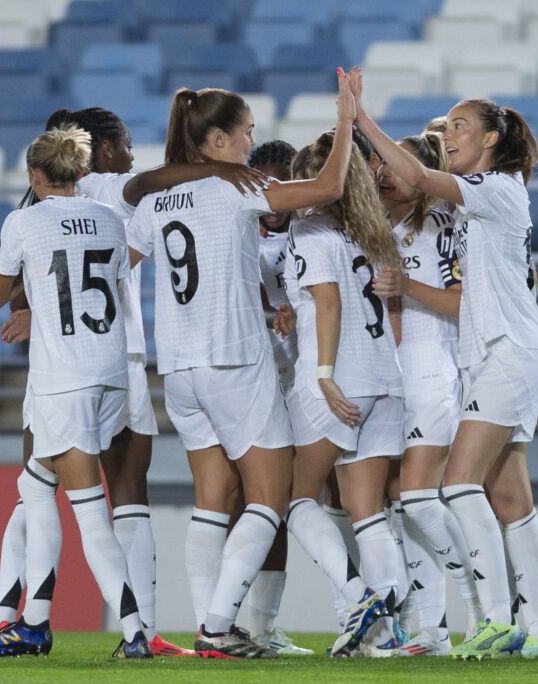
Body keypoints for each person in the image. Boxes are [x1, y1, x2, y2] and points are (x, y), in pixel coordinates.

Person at [0, 106, 266, 658]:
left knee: (43, 490)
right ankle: (125, 627)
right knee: (115, 495)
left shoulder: (30, 212)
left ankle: (29, 619)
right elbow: (148, 188)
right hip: (119, 363)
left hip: (61, 370)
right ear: (102, 149)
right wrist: (217, 169)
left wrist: (36, 308)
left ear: (36, 172)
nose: (134, 154)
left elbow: (11, 289)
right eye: (128, 144)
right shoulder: (114, 203)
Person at [127, 69, 361, 658]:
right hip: (233, 359)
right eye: (246, 134)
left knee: (213, 496)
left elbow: (119, 263)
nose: (252, 145)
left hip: (177, 367)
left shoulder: (157, 198)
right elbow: (330, 187)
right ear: (216, 140)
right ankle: (218, 626)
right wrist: (347, 120)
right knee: (269, 498)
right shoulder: (236, 187)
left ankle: (211, 627)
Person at [353, 67, 538, 660]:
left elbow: (417, 175)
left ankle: (497, 619)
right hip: (503, 350)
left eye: (460, 126)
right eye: (447, 126)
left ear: (490, 139)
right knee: (511, 502)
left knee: (458, 483)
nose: (449, 134)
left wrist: (361, 119)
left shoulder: (494, 187)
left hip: (506, 352)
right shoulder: (486, 200)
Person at [0, 126, 150, 659]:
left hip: (63, 378)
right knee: (35, 483)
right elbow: (114, 281)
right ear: (80, 172)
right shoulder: (109, 219)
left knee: (86, 508)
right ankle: (32, 621)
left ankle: (133, 632)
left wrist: (26, 284)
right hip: (111, 374)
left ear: (34, 175)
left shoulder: (23, 221)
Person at [282, 130, 405, 657]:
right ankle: (387, 637)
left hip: (334, 381)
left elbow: (327, 303)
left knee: (295, 499)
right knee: (367, 510)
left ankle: (360, 599)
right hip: (385, 378)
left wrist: (325, 374)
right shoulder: (374, 234)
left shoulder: (309, 232)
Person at [377, 132, 485, 656]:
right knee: (403, 507)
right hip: (391, 380)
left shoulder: (442, 227)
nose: (383, 171)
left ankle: (483, 605)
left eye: (395, 166)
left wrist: (407, 289)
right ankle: (433, 633)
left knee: (420, 500)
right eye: (380, 163)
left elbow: (466, 304)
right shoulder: (379, 230)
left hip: (432, 372)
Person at [240, 139, 313, 655]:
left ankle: (366, 616)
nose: (272, 196)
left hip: (312, 376)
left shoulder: (317, 229)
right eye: (263, 183)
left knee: (327, 499)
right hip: (255, 380)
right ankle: (247, 624)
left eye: (280, 182)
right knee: (263, 503)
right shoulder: (238, 233)